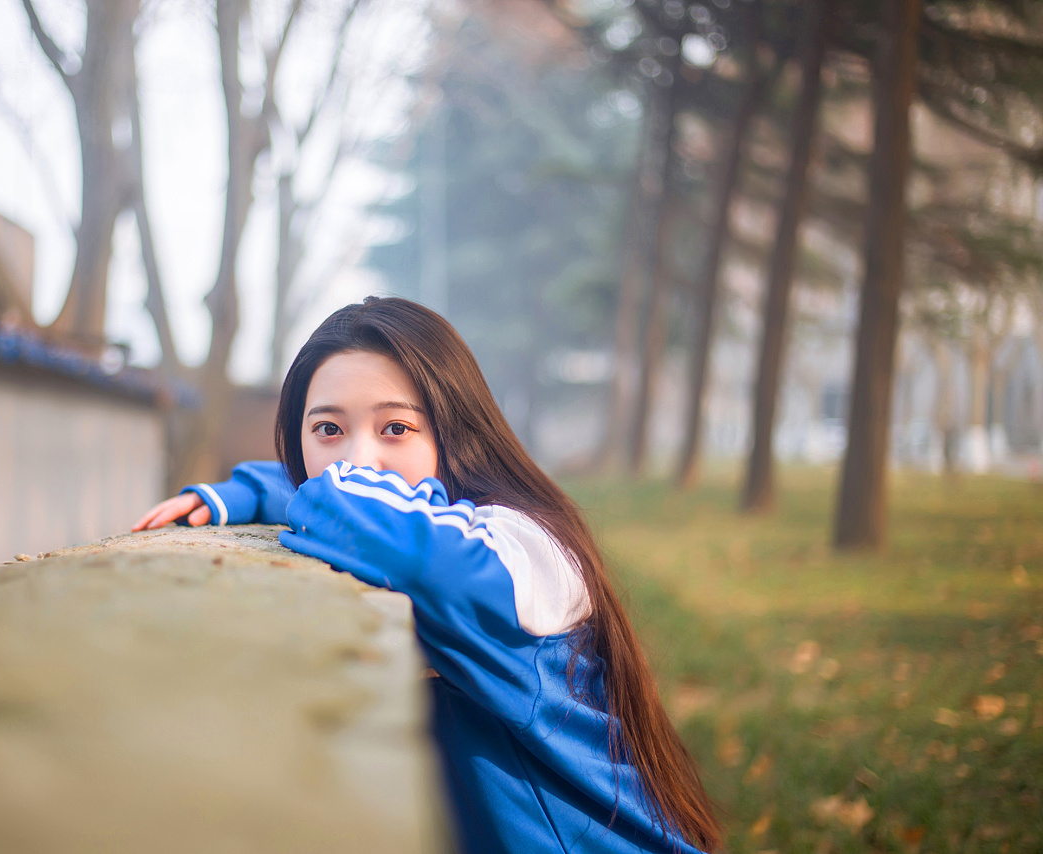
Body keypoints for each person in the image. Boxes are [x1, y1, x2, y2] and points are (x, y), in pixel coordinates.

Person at [133, 297, 720, 853]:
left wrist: (311, 484)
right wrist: (247, 489)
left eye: (396, 429)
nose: (356, 463)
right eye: (328, 429)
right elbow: (340, 496)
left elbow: (394, 534)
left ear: (453, 431)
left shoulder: (529, 551)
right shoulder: (413, 516)